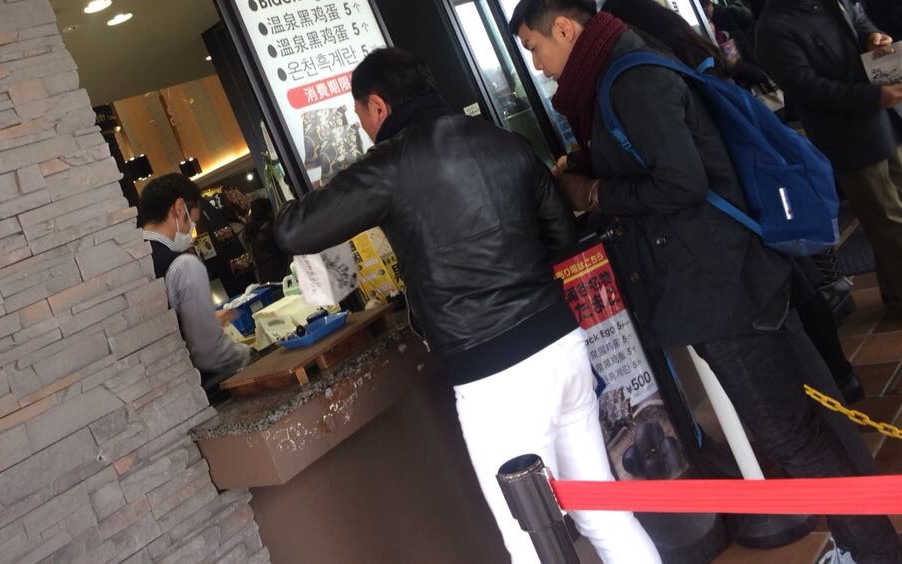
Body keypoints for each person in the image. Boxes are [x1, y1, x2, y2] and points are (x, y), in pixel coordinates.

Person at [511, 0, 901, 564]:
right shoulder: (621, 69)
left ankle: (872, 551)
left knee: (793, 435)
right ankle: (869, 544)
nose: (538, 66)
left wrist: (590, 192)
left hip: (722, 288)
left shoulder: (630, 78)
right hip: (731, 275)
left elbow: (681, 183)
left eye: (535, 47)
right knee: (813, 421)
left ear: (564, 29)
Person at [274, 48, 659, 564]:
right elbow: (562, 237)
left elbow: (293, 229)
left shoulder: (390, 164)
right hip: (561, 344)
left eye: (360, 114)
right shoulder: (503, 140)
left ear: (378, 106)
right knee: (605, 513)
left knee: (530, 540)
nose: (363, 127)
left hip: (494, 375)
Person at [601, 0, 861, 402]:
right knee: (799, 284)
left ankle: (832, 384)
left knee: (792, 295)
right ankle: (842, 375)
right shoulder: (692, 48)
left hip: (733, 197)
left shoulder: (652, 70)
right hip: (756, 181)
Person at [753, 0, 902, 308]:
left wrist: (873, 37)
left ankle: (894, 291)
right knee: (888, 221)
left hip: (883, 118)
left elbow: (860, 20)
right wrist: (873, 97)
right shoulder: (772, 29)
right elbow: (808, 88)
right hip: (847, 135)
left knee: (893, 213)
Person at [139, 173, 251, 380]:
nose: (192, 231)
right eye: (193, 221)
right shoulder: (184, 266)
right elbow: (211, 354)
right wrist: (249, 355)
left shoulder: (131, 266)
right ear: (179, 208)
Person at [244, 197, 292, 285]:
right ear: (268, 211)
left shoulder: (252, 231)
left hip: (266, 278)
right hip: (283, 275)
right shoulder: (270, 228)